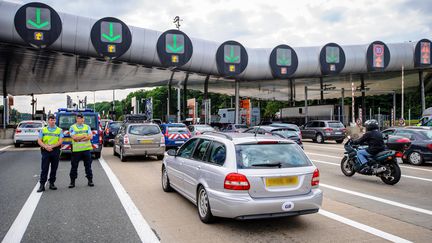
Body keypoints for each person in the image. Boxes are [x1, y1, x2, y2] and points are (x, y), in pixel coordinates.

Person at [36, 114, 63, 192]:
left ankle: (52, 183)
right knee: (44, 168)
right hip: (45, 150)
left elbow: (60, 141)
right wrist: (46, 146)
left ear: (55, 121)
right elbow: (39, 140)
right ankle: (42, 185)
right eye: (51, 120)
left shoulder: (59, 130)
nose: (52, 121)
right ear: (48, 121)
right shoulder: (43, 130)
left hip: (55, 150)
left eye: (54, 120)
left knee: (54, 168)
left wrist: (52, 146)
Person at [68, 113, 94, 188]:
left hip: (86, 149)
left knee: (88, 166)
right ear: (76, 119)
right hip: (76, 150)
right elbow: (74, 137)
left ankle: (90, 180)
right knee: (74, 166)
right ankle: (72, 182)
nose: (80, 120)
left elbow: (90, 136)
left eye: (81, 118)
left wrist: (80, 138)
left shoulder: (87, 127)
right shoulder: (72, 127)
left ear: (83, 119)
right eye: (78, 118)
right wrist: (84, 136)